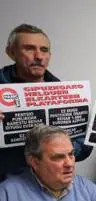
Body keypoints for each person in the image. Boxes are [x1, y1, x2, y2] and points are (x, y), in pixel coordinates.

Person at [0, 24, 91, 182]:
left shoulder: (68, 94)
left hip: (50, 187)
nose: (38, 56)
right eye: (29, 48)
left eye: (44, 50)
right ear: (11, 52)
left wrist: (59, 152)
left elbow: (84, 145)